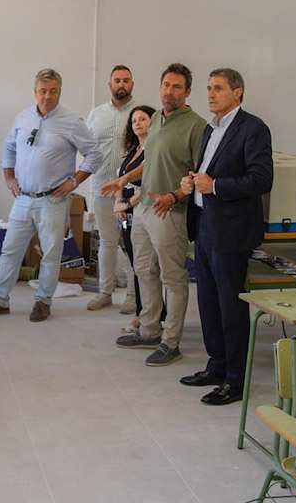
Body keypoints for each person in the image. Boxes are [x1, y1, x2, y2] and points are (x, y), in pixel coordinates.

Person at [0, 68, 101, 322]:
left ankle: (43, 301)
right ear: (35, 92)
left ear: (60, 92)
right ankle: (0, 299)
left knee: (51, 254)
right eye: (43, 91)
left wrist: (74, 181)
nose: (47, 96)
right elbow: (9, 147)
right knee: (10, 251)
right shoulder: (23, 117)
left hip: (52, 200)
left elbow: (95, 153)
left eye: (53, 91)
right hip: (23, 198)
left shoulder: (71, 121)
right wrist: (9, 177)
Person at [180, 67, 273, 405]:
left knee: (230, 305)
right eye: (208, 88)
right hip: (206, 225)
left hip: (232, 231)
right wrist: (192, 183)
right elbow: (208, 173)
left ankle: (236, 379)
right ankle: (216, 366)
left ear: (238, 93)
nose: (211, 94)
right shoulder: (210, 129)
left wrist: (215, 186)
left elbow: (261, 180)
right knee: (206, 301)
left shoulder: (253, 129)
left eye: (218, 88)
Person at [103, 63, 206, 367]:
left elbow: (200, 173)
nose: (169, 91)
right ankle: (149, 329)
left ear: (187, 91)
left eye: (176, 87)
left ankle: (171, 341)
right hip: (145, 208)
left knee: (172, 278)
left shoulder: (197, 126)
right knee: (143, 270)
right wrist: (124, 179)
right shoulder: (158, 118)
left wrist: (176, 195)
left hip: (170, 211)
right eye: (165, 85)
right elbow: (150, 161)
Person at [85, 65, 139, 312]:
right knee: (107, 241)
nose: (121, 84)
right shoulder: (96, 114)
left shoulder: (141, 114)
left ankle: (132, 296)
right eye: (117, 80)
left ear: (132, 84)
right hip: (103, 190)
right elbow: (87, 149)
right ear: (109, 85)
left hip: (131, 193)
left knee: (131, 243)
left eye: (126, 80)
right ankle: (105, 292)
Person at [111, 105, 165, 333]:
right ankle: (143, 312)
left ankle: (148, 316)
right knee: (135, 263)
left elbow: (150, 183)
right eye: (134, 121)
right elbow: (119, 179)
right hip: (125, 214)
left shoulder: (154, 150)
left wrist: (128, 203)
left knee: (146, 267)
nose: (137, 123)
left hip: (144, 211)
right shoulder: (132, 151)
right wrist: (117, 203)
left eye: (142, 119)